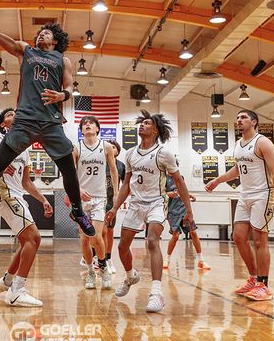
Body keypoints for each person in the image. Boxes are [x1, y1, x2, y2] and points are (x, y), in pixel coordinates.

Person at [0, 14, 95, 236]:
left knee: (69, 168)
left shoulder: (63, 60)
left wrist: (61, 95)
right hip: (25, 121)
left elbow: (69, 88)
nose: (41, 34)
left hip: (51, 123)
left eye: (46, 33)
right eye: (39, 33)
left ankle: (77, 212)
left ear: (56, 40)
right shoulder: (26, 50)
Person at [107, 110, 194, 313]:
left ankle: (156, 293)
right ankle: (130, 276)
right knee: (121, 248)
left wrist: (188, 210)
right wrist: (114, 207)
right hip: (136, 204)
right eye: (141, 123)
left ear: (155, 130)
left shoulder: (164, 153)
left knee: (152, 241)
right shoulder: (130, 154)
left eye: (147, 123)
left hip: (156, 202)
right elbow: (126, 184)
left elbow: (179, 182)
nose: (142, 126)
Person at [0, 107, 53, 307]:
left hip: (19, 196)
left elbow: (26, 183)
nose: (14, 115)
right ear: (3, 125)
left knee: (27, 240)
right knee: (34, 237)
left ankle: (9, 279)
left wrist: (43, 200)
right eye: (9, 114)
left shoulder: (24, 150)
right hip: (4, 195)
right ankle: (17, 290)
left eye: (16, 113)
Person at [206, 109, 274, 302]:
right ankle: (253, 279)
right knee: (239, 237)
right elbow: (237, 170)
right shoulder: (238, 145)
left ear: (254, 122)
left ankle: (264, 285)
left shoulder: (263, 142)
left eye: (243, 118)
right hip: (245, 194)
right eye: (237, 118)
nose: (239, 120)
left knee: (260, 240)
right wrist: (217, 180)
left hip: (263, 194)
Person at [72, 115, 119, 290]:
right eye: (84, 124)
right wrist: (76, 190)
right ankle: (91, 272)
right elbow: (69, 173)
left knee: (97, 236)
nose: (87, 125)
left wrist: (115, 194)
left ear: (97, 128)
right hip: (82, 200)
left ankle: (103, 267)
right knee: (84, 239)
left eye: (91, 123)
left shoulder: (106, 147)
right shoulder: (76, 148)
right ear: (82, 130)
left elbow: (114, 172)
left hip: (99, 198)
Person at [164, 175, 210, 271]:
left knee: (193, 232)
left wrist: (189, 195)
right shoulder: (165, 179)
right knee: (175, 236)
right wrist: (169, 194)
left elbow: (182, 191)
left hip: (184, 210)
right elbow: (162, 193)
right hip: (173, 212)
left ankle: (201, 260)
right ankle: (167, 259)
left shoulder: (180, 177)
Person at [104, 140, 126, 275]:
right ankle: (97, 257)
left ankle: (108, 258)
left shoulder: (121, 166)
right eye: (109, 147)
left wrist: (121, 199)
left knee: (110, 232)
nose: (111, 149)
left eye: (114, 147)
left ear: (117, 150)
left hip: (112, 203)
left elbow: (126, 185)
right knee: (100, 231)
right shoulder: (100, 163)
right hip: (99, 200)